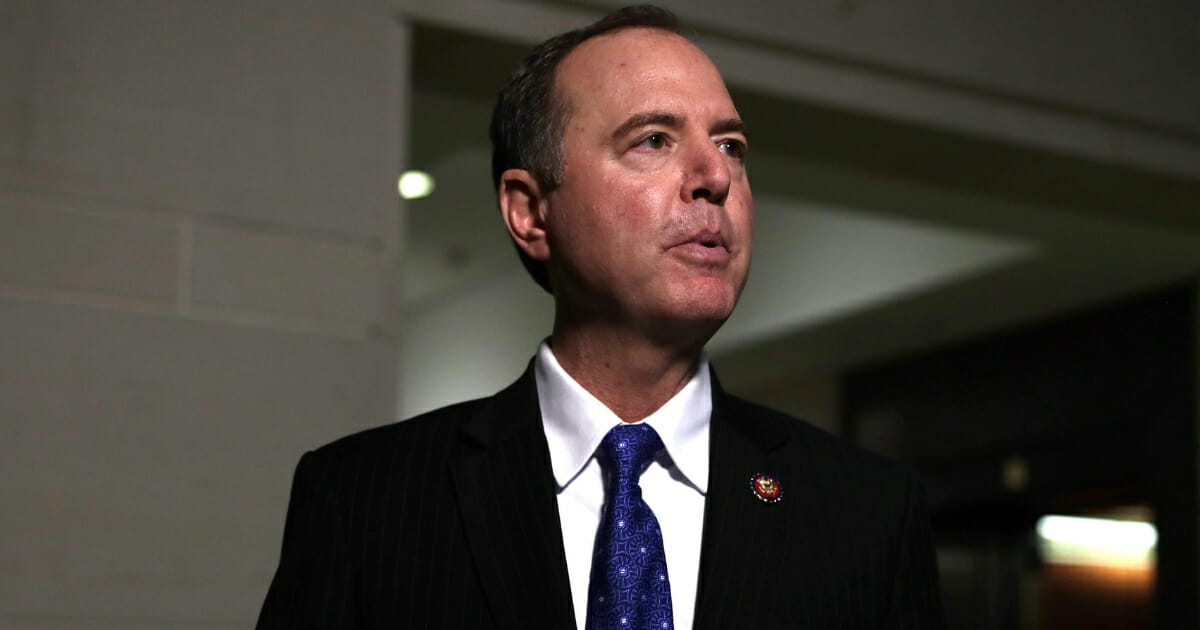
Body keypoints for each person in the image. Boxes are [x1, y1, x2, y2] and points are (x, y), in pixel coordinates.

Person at [257, 5, 946, 629]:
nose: (715, 176)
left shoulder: (871, 513)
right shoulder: (367, 501)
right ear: (530, 212)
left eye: (731, 145)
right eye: (653, 139)